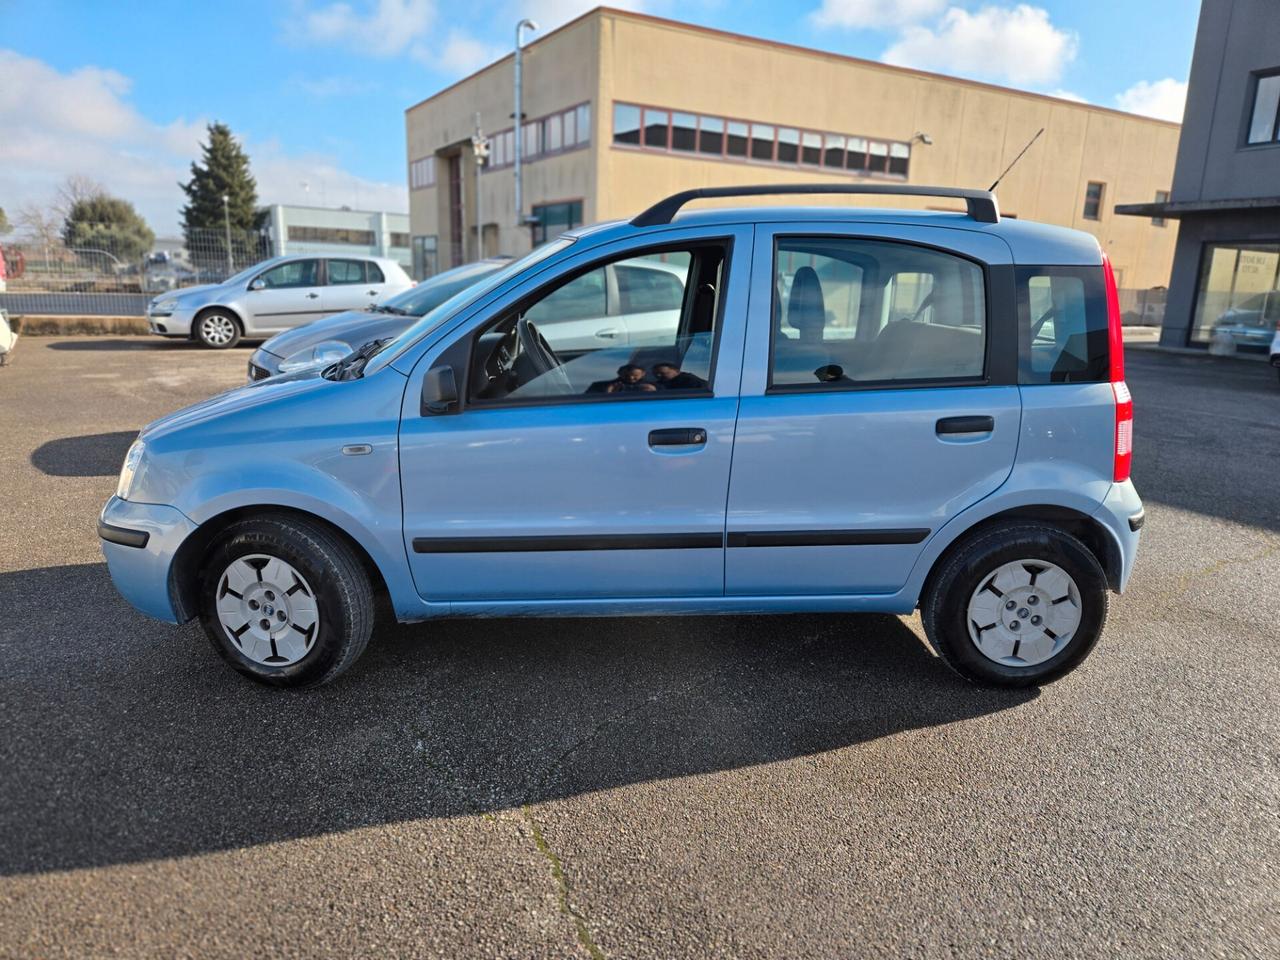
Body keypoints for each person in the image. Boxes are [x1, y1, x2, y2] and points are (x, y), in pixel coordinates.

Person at [587, 364, 658, 394]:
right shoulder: (599, 386)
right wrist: (607, 393)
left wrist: (655, 392)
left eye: (635, 375)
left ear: (643, 374)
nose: (631, 378)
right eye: (626, 375)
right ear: (619, 373)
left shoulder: (657, 386)